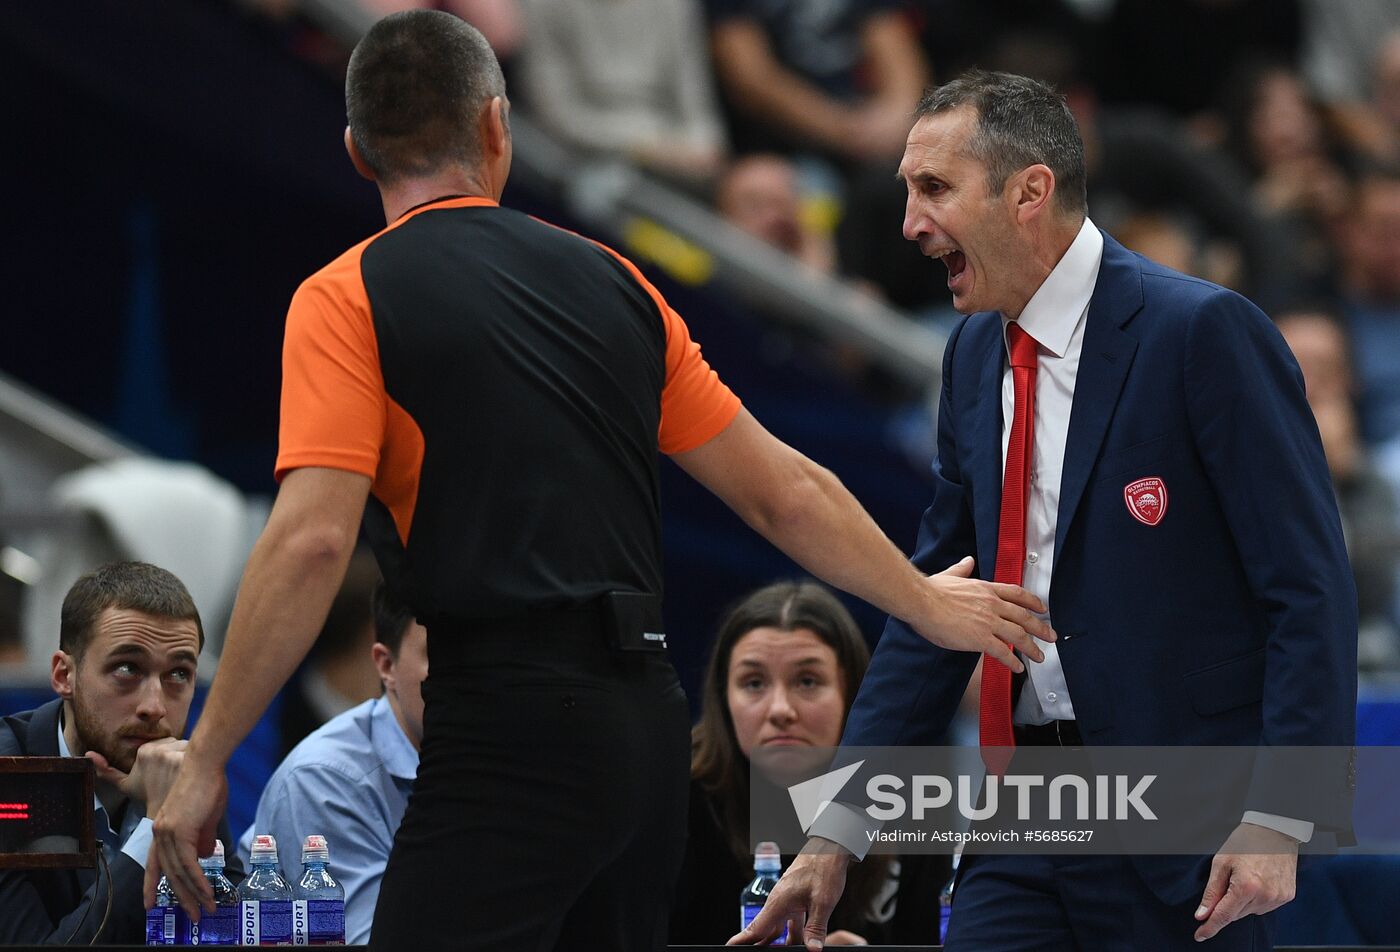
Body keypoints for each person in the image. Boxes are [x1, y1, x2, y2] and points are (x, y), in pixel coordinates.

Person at [145, 15, 1051, 952]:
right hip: (643, 730)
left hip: (503, 724)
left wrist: (209, 756)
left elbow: (313, 540)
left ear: (355, 152)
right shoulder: (615, 280)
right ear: (497, 127)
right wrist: (925, 603)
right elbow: (783, 489)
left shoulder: (344, 297)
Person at [734, 70, 1357, 951]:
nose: (910, 223)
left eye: (935, 189)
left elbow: (1309, 588)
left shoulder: (1201, 334)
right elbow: (934, 606)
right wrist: (838, 828)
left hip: (1184, 820)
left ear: (1030, 192)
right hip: (1023, 809)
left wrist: (1281, 817)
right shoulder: (969, 358)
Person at [672, 580, 945, 945]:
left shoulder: (912, 801)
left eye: (807, 680)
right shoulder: (673, 798)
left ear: (855, 694)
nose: (780, 709)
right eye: (754, 683)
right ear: (723, 700)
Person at [0, 561, 243, 943]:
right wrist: (155, 826)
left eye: (178, 674)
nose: (154, 707)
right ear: (65, 675)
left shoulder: (180, 769)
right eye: (127, 668)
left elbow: (228, 923)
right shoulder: (10, 777)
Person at [239, 583, 424, 943]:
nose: (470, 678)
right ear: (386, 665)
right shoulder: (325, 780)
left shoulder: (505, 764)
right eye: (443, 654)